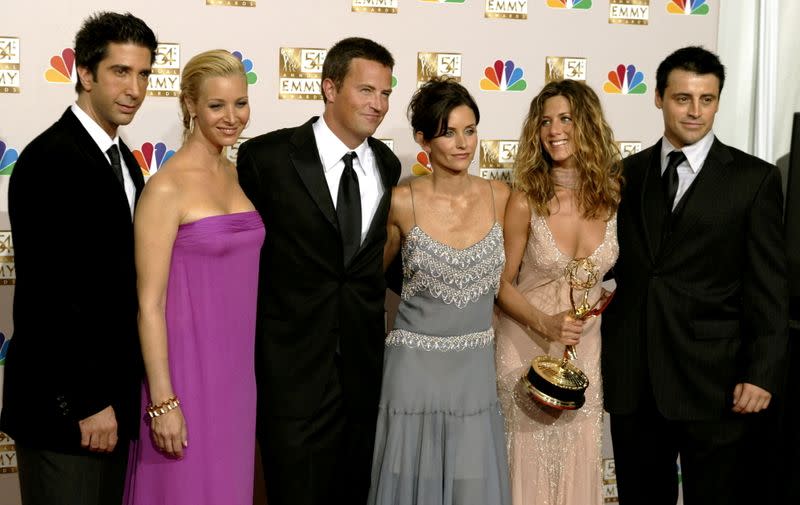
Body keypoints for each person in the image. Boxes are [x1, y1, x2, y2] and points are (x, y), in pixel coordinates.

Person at [601, 46, 788, 505]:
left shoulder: (754, 179)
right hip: (636, 380)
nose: (695, 111)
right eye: (683, 98)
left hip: (716, 381)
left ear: (719, 101)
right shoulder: (625, 174)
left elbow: (769, 287)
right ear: (659, 98)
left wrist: (761, 372)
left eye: (707, 99)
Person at [236, 37, 401, 505]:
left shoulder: (387, 165)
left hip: (363, 377)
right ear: (330, 87)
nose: (379, 104)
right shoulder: (266, 158)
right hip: (290, 374)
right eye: (367, 90)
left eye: (386, 93)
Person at [0, 12, 156, 505]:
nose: (135, 88)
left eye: (144, 74)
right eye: (120, 72)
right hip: (68, 413)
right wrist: (89, 403)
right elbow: (49, 297)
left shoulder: (123, 159)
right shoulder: (50, 160)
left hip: (112, 406)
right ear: (85, 74)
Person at [123, 50, 263, 505]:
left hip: (236, 380)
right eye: (217, 105)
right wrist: (164, 401)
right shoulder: (166, 187)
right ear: (190, 105)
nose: (232, 117)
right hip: (184, 375)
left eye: (240, 103)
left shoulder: (235, 173)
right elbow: (148, 304)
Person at [368, 78, 511, 505]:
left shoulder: (502, 197)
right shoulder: (399, 202)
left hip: (474, 373)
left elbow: (514, 283)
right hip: (413, 373)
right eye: (448, 132)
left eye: (469, 130)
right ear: (422, 139)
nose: (462, 143)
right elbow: (367, 283)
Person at [494, 79, 621, 505]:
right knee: (526, 463)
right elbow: (500, 284)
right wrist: (545, 322)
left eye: (565, 118)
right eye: (545, 121)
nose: (554, 130)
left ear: (586, 123)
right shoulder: (525, 198)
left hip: (585, 351)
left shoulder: (615, 195)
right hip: (525, 344)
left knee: (580, 457)